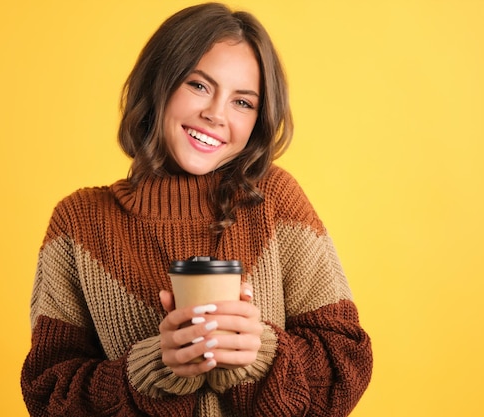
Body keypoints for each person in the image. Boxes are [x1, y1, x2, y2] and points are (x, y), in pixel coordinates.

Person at [20, 2, 373, 416]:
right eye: (199, 85)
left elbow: (345, 366)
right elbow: (48, 393)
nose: (215, 114)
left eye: (243, 102)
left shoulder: (275, 201)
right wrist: (150, 368)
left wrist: (261, 349)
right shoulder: (78, 223)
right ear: (158, 83)